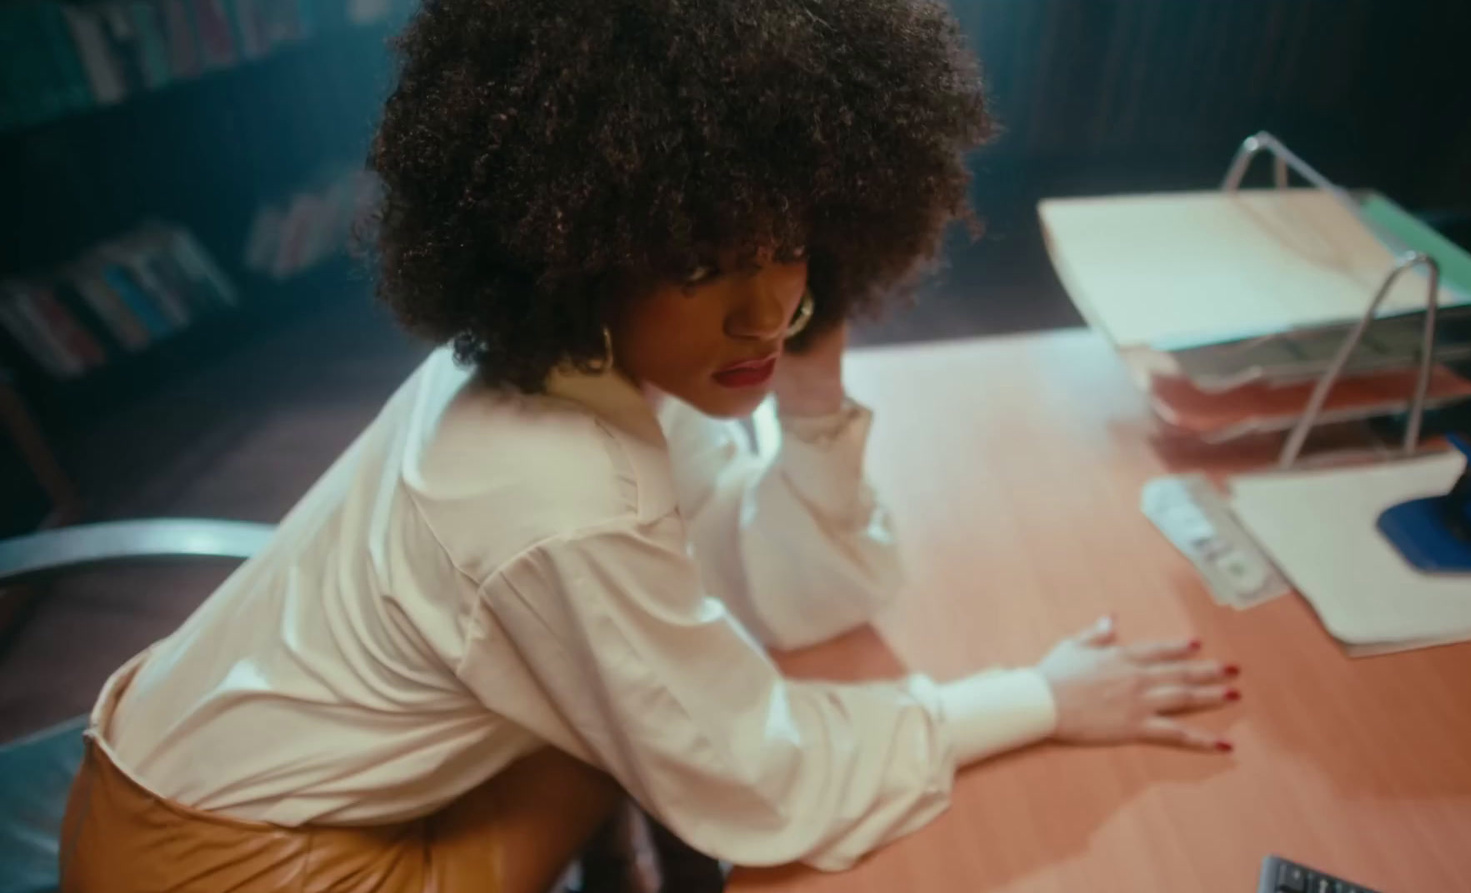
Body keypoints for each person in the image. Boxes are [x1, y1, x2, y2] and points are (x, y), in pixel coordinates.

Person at [58, 1, 1242, 891]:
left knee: (634, 715)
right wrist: (1038, 695)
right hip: (230, 868)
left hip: (200, 760)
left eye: (787, 244)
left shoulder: (614, 359)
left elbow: (791, 595)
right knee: (635, 743)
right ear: (580, 237)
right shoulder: (561, 483)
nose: (762, 309)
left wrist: (816, 388)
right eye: (695, 263)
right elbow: (758, 775)